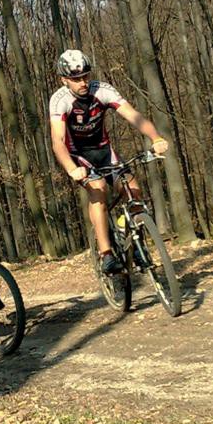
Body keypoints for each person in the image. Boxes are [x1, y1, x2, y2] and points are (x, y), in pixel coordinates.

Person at [49, 49, 168, 275]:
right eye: (76, 79)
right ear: (64, 80)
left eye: (85, 76)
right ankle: (106, 254)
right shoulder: (59, 100)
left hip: (104, 150)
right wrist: (72, 169)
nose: (83, 82)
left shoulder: (102, 90)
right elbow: (58, 141)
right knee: (99, 189)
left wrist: (156, 138)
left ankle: (131, 235)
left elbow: (134, 116)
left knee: (133, 191)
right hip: (78, 156)